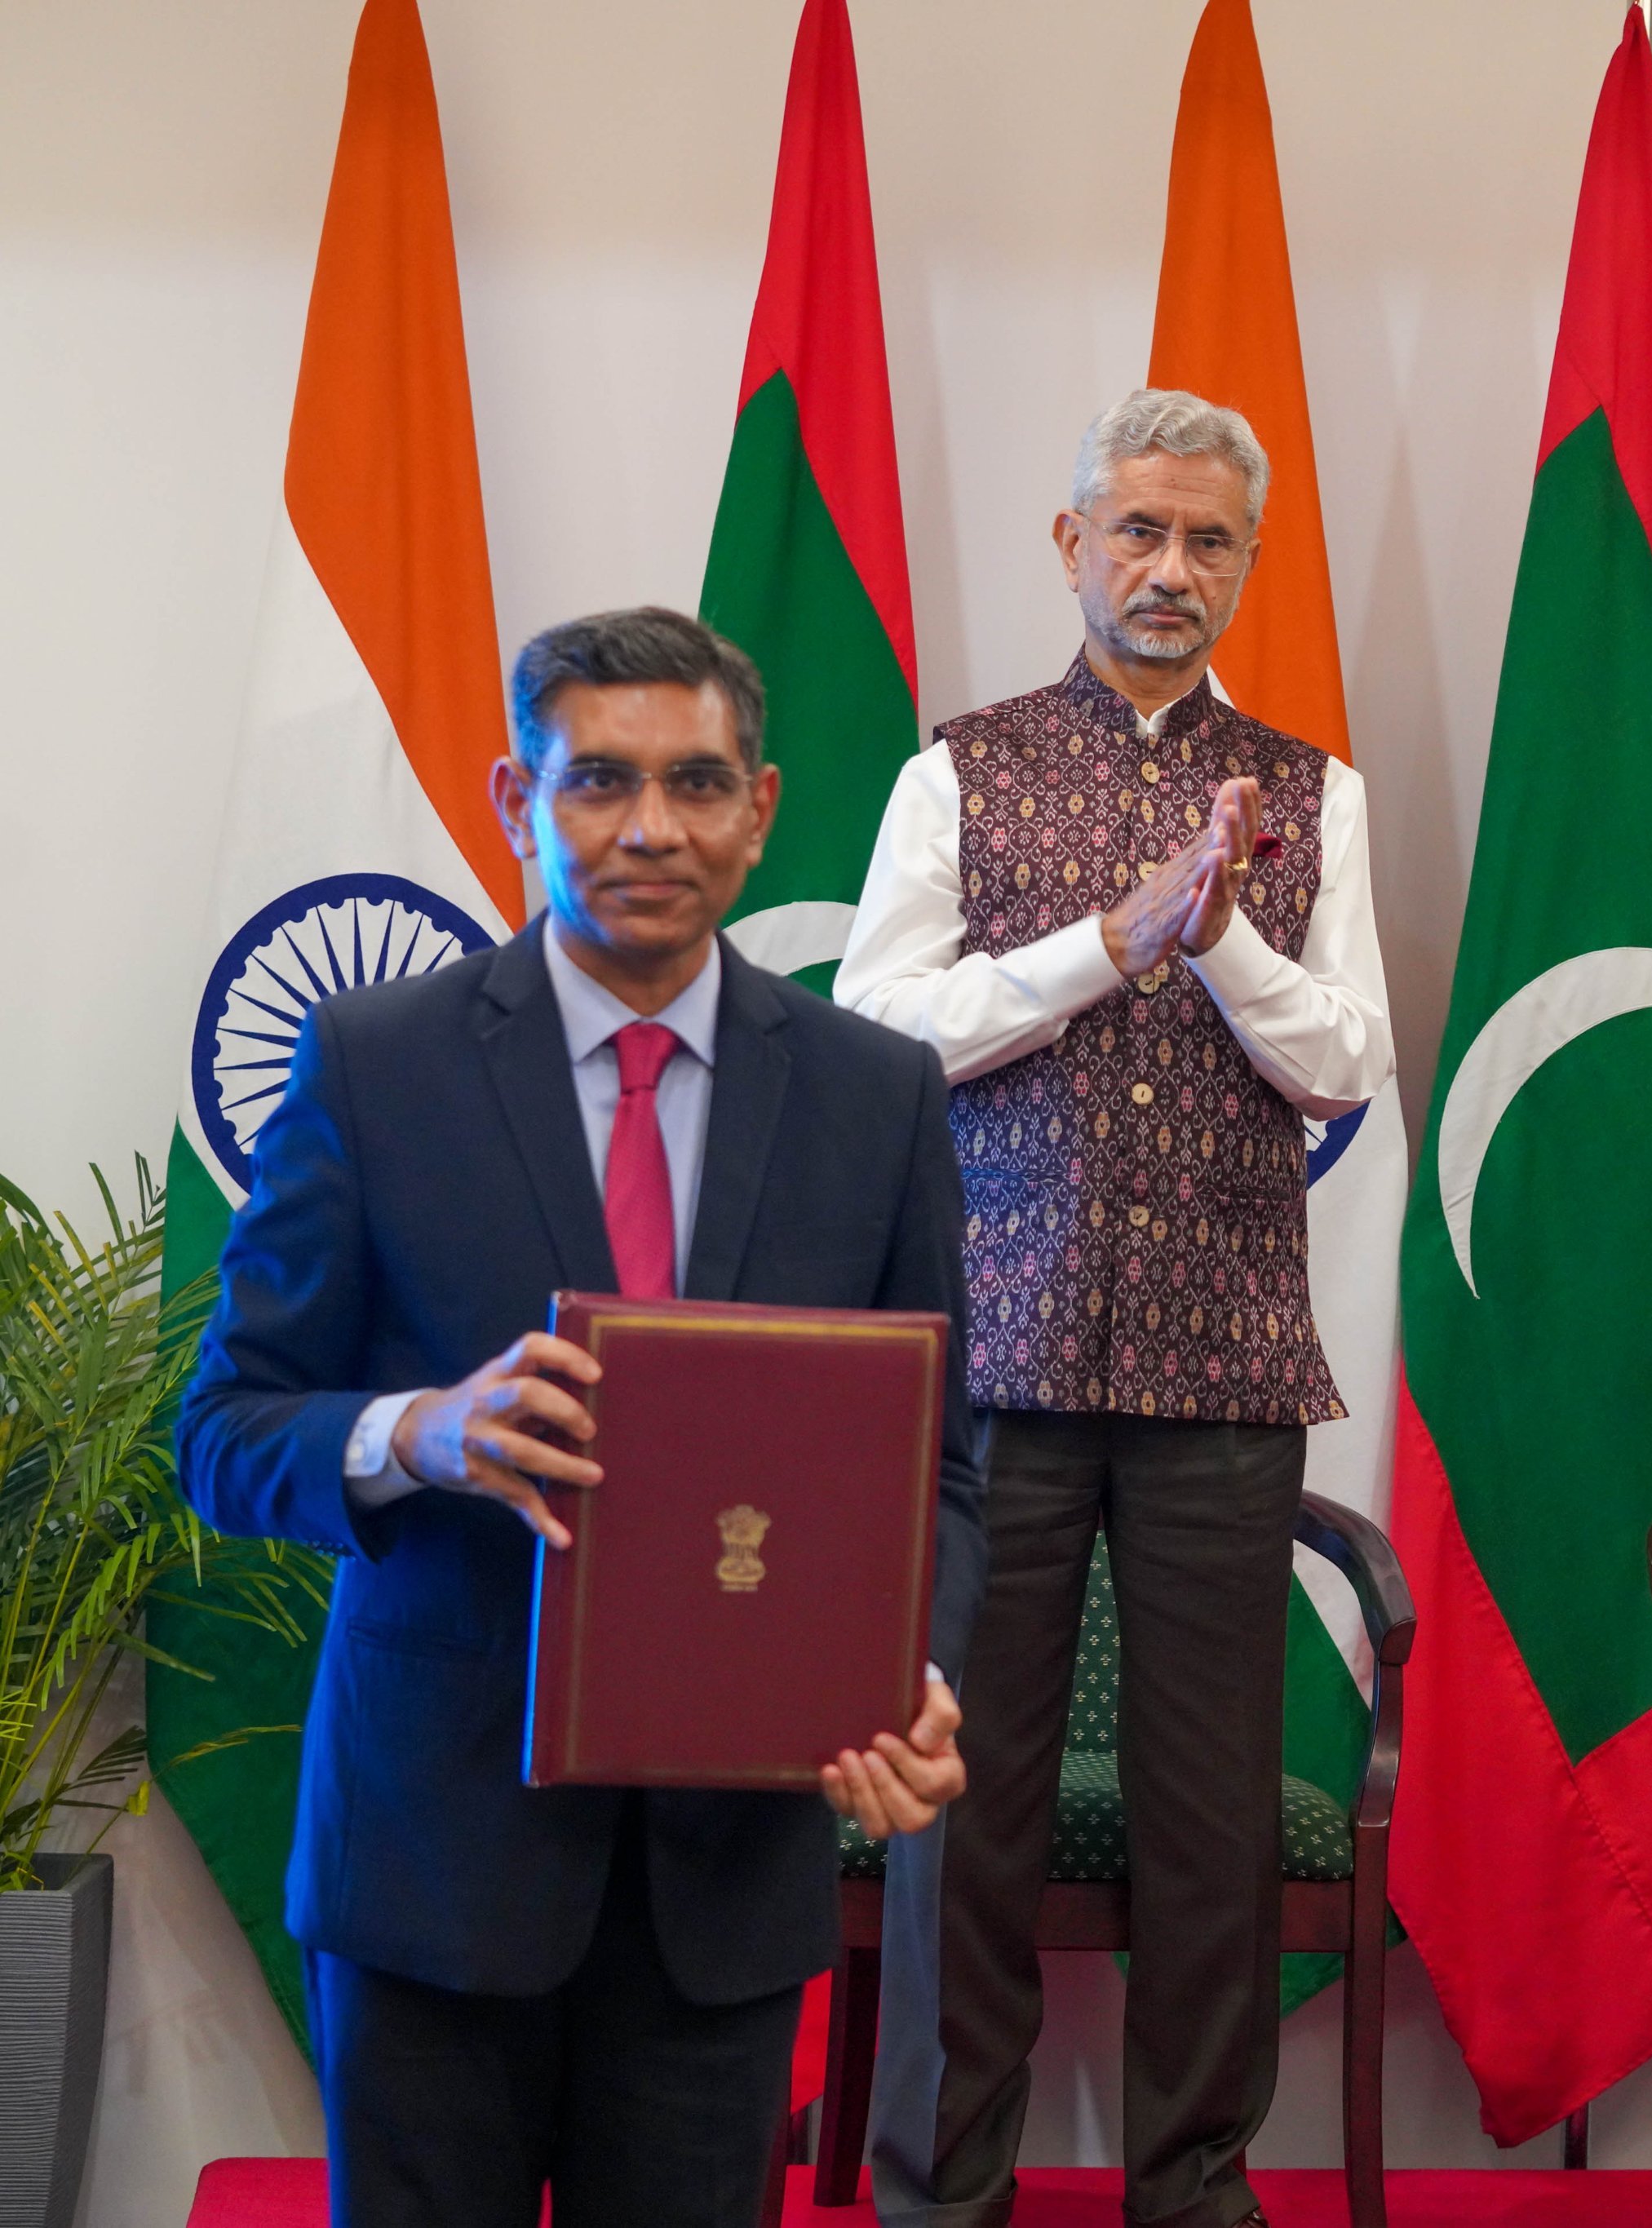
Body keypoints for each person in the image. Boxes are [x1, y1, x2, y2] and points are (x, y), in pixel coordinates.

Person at [177, 607, 984, 2228]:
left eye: (697, 782)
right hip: (431, 1862)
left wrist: (908, 1675)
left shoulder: (874, 1095)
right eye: (599, 780)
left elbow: (939, 1474)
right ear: (516, 801)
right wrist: (419, 1432)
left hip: (723, 1890)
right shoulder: (374, 1063)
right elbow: (225, 1429)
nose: (650, 827)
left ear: (759, 810)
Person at [835, 388, 1391, 2228]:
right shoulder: (960, 769)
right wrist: (1103, 945)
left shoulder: (1316, 792)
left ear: (1247, 564)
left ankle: (1194, 2190)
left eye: (1208, 540)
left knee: (1211, 1811)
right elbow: (878, 1030)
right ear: (1073, 545)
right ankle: (939, 2194)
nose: (1170, 568)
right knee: (961, 1804)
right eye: (1138, 531)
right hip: (991, 1364)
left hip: (1223, 1366)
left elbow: (1345, 1062)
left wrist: (1216, 935)